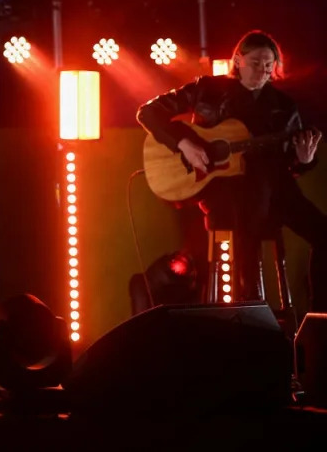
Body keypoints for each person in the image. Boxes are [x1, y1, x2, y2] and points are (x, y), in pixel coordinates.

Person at [137, 29, 325, 311]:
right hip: (223, 194)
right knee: (249, 195)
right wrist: (185, 143)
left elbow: (291, 166)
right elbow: (148, 112)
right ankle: (250, 307)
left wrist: (304, 159)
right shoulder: (208, 89)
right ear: (238, 60)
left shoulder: (284, 107)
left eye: (269, 64)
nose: (263, 70)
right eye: (256, 62)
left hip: (276, 194)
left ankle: (319, 317)